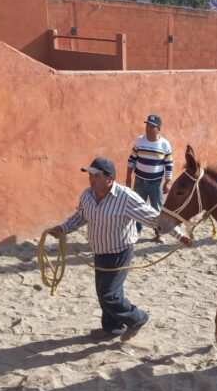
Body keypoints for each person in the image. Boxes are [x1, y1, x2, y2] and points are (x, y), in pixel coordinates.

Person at [49, 157, 190, 339]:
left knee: (110, 296)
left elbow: (153, 217)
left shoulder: (125, 197)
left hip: (120, 252)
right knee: (104, 294)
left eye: (97, 176)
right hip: (99, 251)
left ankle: (138, 318)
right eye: (90, 176)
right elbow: (81, 216)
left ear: (110, 179)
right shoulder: (87, 195)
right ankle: (112, 328)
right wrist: (63, 228)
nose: (92, 180)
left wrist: (180, 235)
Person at [126, 114, 173, 243]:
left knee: (157, 208)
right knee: (137, 207)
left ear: (159, 129)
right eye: (147, 125)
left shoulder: (165, 144)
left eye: (152, 126)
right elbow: (132, 160)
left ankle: (159, 234)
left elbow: (169, 164)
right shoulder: (139, 141)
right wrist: (128, 177)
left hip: (156, 183)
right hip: (140, 181)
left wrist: (168, 182)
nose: (148, 128)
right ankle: (136, 232)